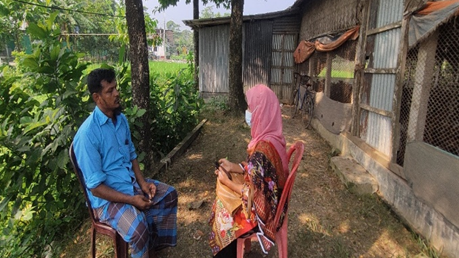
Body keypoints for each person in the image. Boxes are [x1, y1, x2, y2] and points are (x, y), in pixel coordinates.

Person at [73, 68, 177, 258]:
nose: (117, 93)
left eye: (116, 87)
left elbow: (131, 155)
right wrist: (131, 200)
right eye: (110, 91)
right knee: (138, 230)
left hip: (130, 184)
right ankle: (143, 244)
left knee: (169, 195)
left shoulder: (121, 120)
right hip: (106, 200)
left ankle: (151, 249)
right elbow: (96, 188)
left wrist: (143, 184)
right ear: (97, 97)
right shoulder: (87, 135)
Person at [209, 84, 289, 257]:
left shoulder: (263, 150)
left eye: (250, 108)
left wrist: (227, 182)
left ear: (261, 111)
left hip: (265, 213)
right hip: (275, 203)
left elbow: (254, 195)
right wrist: (234, 166)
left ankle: (226, 253)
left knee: (222, 210)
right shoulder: (273, 138)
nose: (248, 111)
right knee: (223, 203)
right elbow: (257, 172)